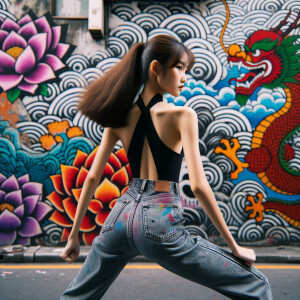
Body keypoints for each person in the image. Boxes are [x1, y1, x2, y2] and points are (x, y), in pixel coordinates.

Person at [60, 35, 273, 299]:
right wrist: (235, 246)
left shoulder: (119, 116)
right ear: (156, 68)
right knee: (256, 284)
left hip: (120, 217)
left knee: (77, 296)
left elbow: (92, 178)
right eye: (179, 68)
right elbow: (197, 185)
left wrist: (73, 237)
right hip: (158, 221)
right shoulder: (183, 116)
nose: (185, 77)